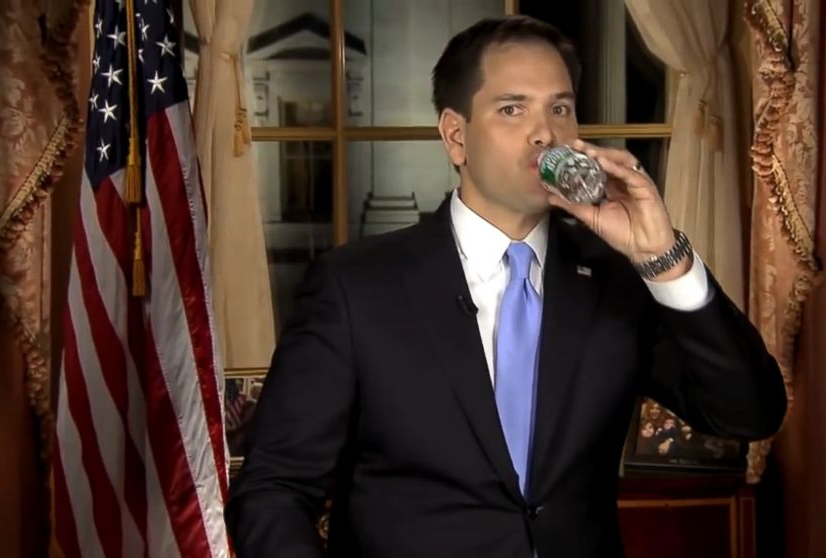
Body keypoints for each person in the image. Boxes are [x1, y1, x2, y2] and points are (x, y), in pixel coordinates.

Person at [225, 16, 787, 558]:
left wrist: (664, 261)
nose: (546, 132)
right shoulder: (357, 288)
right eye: (512, 108)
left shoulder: (616, 281)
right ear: (455, 136)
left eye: (560, 108)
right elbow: (274, 490)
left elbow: (749, 413)